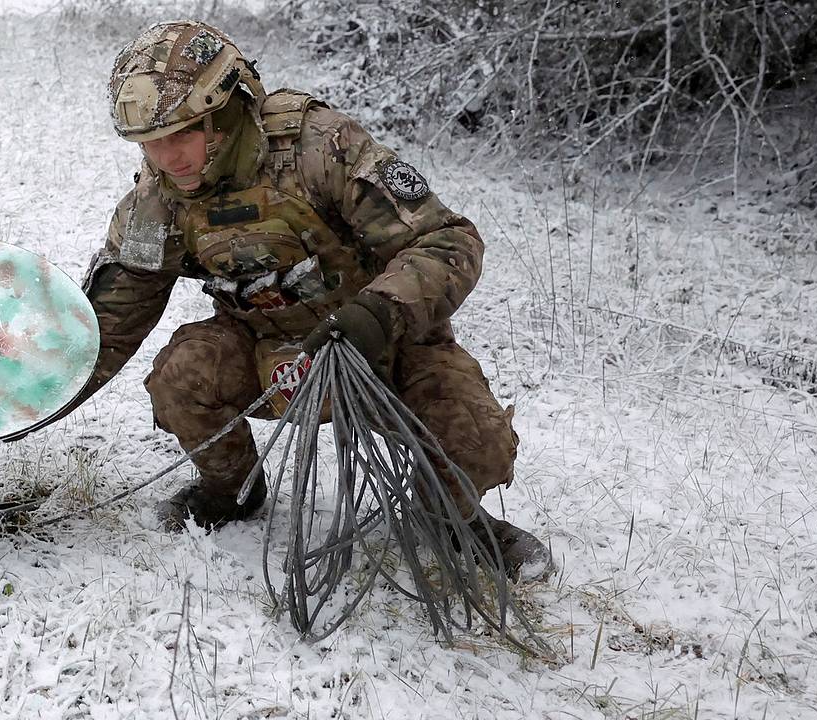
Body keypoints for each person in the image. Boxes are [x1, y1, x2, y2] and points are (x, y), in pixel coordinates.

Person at [69, 21, 551, 580]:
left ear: (224, 112)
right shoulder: (158, 200)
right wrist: (17, 406)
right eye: (150, 142)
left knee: (476, 440)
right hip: (269, 352)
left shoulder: (319, 148)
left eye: (182, 134)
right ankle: (231, 492)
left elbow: (448, 241)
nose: (166, 157)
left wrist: (377, 313)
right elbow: (111, 319)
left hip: (384, 343)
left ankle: (451, 517)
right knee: (183, 375)